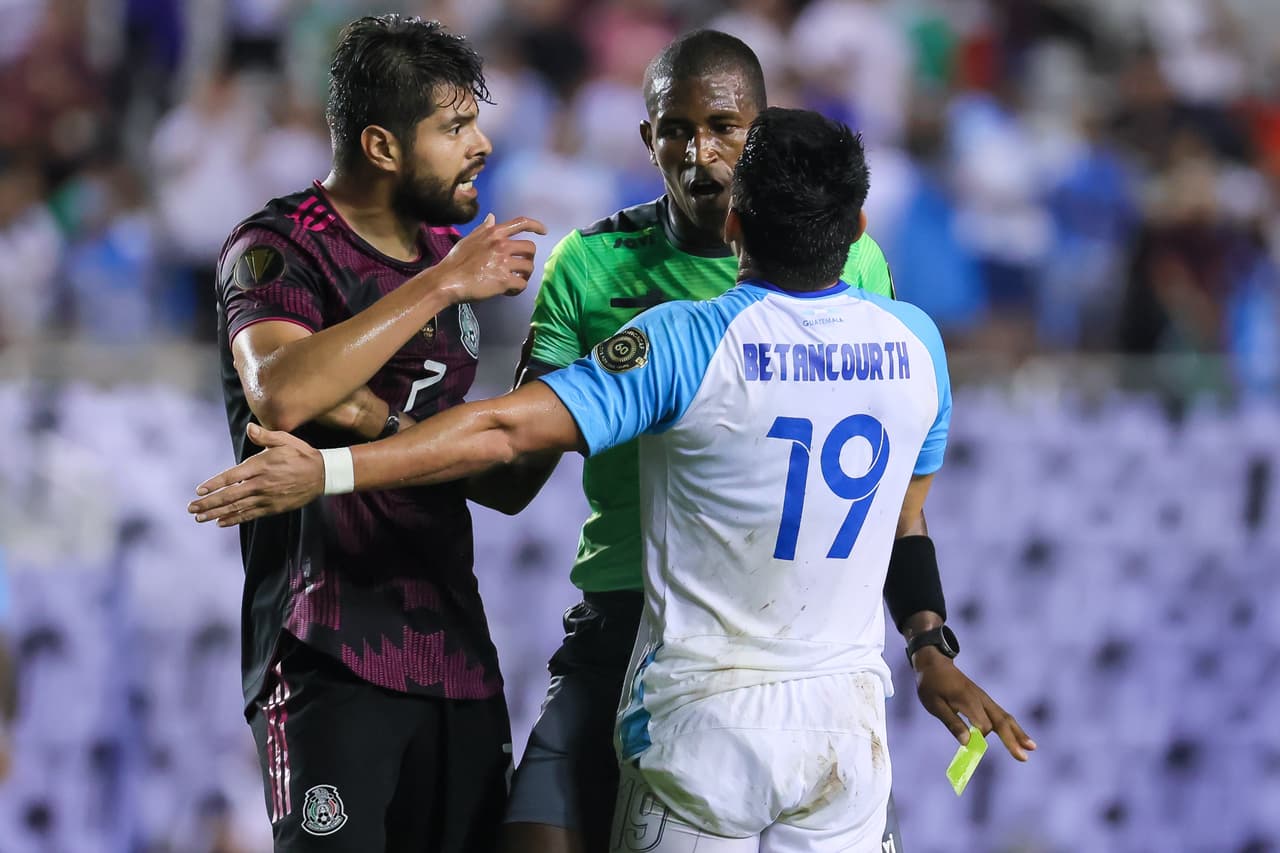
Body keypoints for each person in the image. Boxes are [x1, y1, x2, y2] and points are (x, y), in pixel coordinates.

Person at [189, 107, 1037, 852]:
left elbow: (501, 427)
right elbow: (906, 518)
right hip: (846, 730)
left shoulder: (686, 340)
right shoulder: (918, 343)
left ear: (735, 221)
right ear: (858, 228)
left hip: (705, 722)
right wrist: (929, 644)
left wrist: (331, 467)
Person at [467, 30, 1011, 853]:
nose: (698, 151)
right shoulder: (590, 262)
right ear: (646, 138)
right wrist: (390, 443)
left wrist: (927, 636)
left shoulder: (849, 260)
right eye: (675, 129)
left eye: (723, 127)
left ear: (760, 136)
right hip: (629, 610)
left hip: (803, 643)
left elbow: (898, 501)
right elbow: (515, 473)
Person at [208, 14, 544, 852]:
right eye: (455, 126)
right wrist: (438, 288)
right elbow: (280, 393)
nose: (483, 145)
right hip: (326, 647)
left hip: (456, 652)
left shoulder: (448, 255)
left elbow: (498, 484)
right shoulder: (280, 246)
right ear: (383, 147)